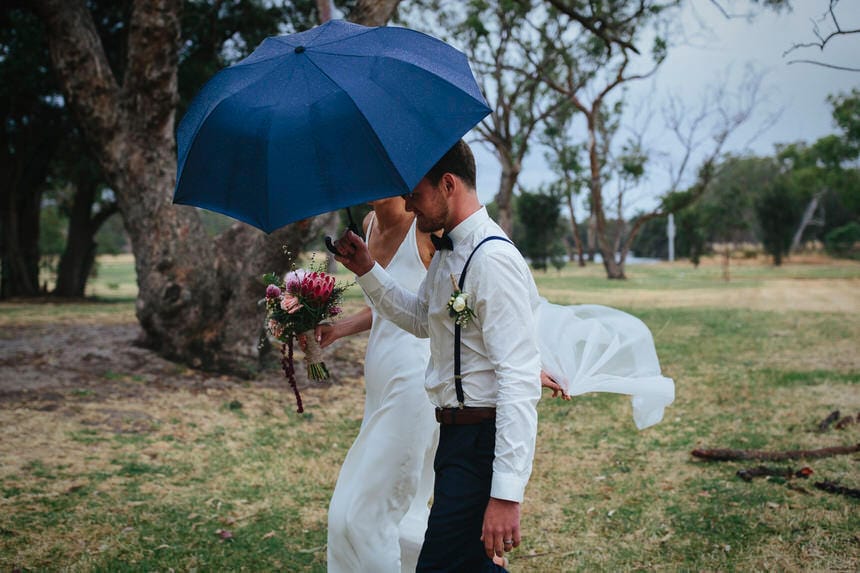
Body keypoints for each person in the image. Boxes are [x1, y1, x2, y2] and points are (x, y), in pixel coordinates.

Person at [321, 198, 567, 572]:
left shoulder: (436, 230)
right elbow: (421, 309)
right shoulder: (371, 224)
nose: (410, 200)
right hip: (392, 380)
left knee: (364, 515)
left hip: (418, 382)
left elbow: (477, 311)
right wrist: (347, 309)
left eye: (414, 192)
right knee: (412, 521)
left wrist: (525, 366)